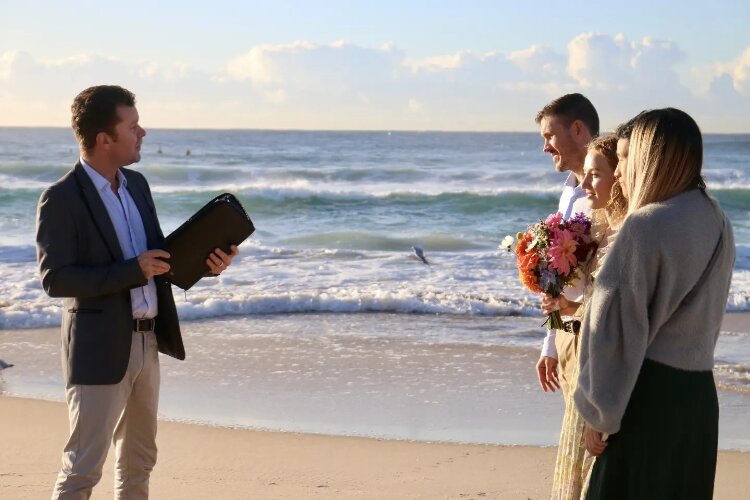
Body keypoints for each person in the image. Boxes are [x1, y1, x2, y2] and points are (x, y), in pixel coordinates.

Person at [36, 85, 239, 499]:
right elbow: (56, 279)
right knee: (82, 468)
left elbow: (158, 261)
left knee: (139, 463)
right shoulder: (60, 198)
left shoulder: (137, 185)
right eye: (132, 126)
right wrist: (132, 270)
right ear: (104, 138)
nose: (142, 132)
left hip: (148, 342)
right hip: (98, 348)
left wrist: (208, 264)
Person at [574, 108, 735, 499]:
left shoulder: (645, 225)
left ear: (652, 156)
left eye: (628, 157)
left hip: (645, 397)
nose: (622, 169)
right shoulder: (717, 219)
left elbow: (616, 332)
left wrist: (599, 413)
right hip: (696, 399)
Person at [545, 133, 627, 499]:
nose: (586, 183)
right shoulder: (588, 218)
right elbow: (567, 296)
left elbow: (614, 315)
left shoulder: (628, 234)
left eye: (596, 174)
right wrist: (552, 334)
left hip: (596, 357)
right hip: (573, 343)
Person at [534, 93, 599, 402]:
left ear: (577, 129)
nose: (545, 147)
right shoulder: (568, 195)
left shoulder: (609, 195)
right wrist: (551, 342)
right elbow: (555, 288)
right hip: (568, 335)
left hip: (596, 338)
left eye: (550, 136)